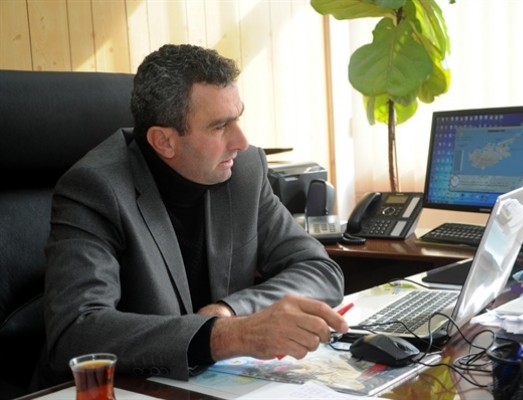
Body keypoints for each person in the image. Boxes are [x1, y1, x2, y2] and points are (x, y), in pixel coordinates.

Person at [42, 44, 347, 383]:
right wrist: (227, 336)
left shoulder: (243, 171)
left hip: (214, 383)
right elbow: (76, 332)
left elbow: (320, 270)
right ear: (164, 141)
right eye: (220, 126)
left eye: (238, 118)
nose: (242, 141)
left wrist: (232, 311)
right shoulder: (95, 188)